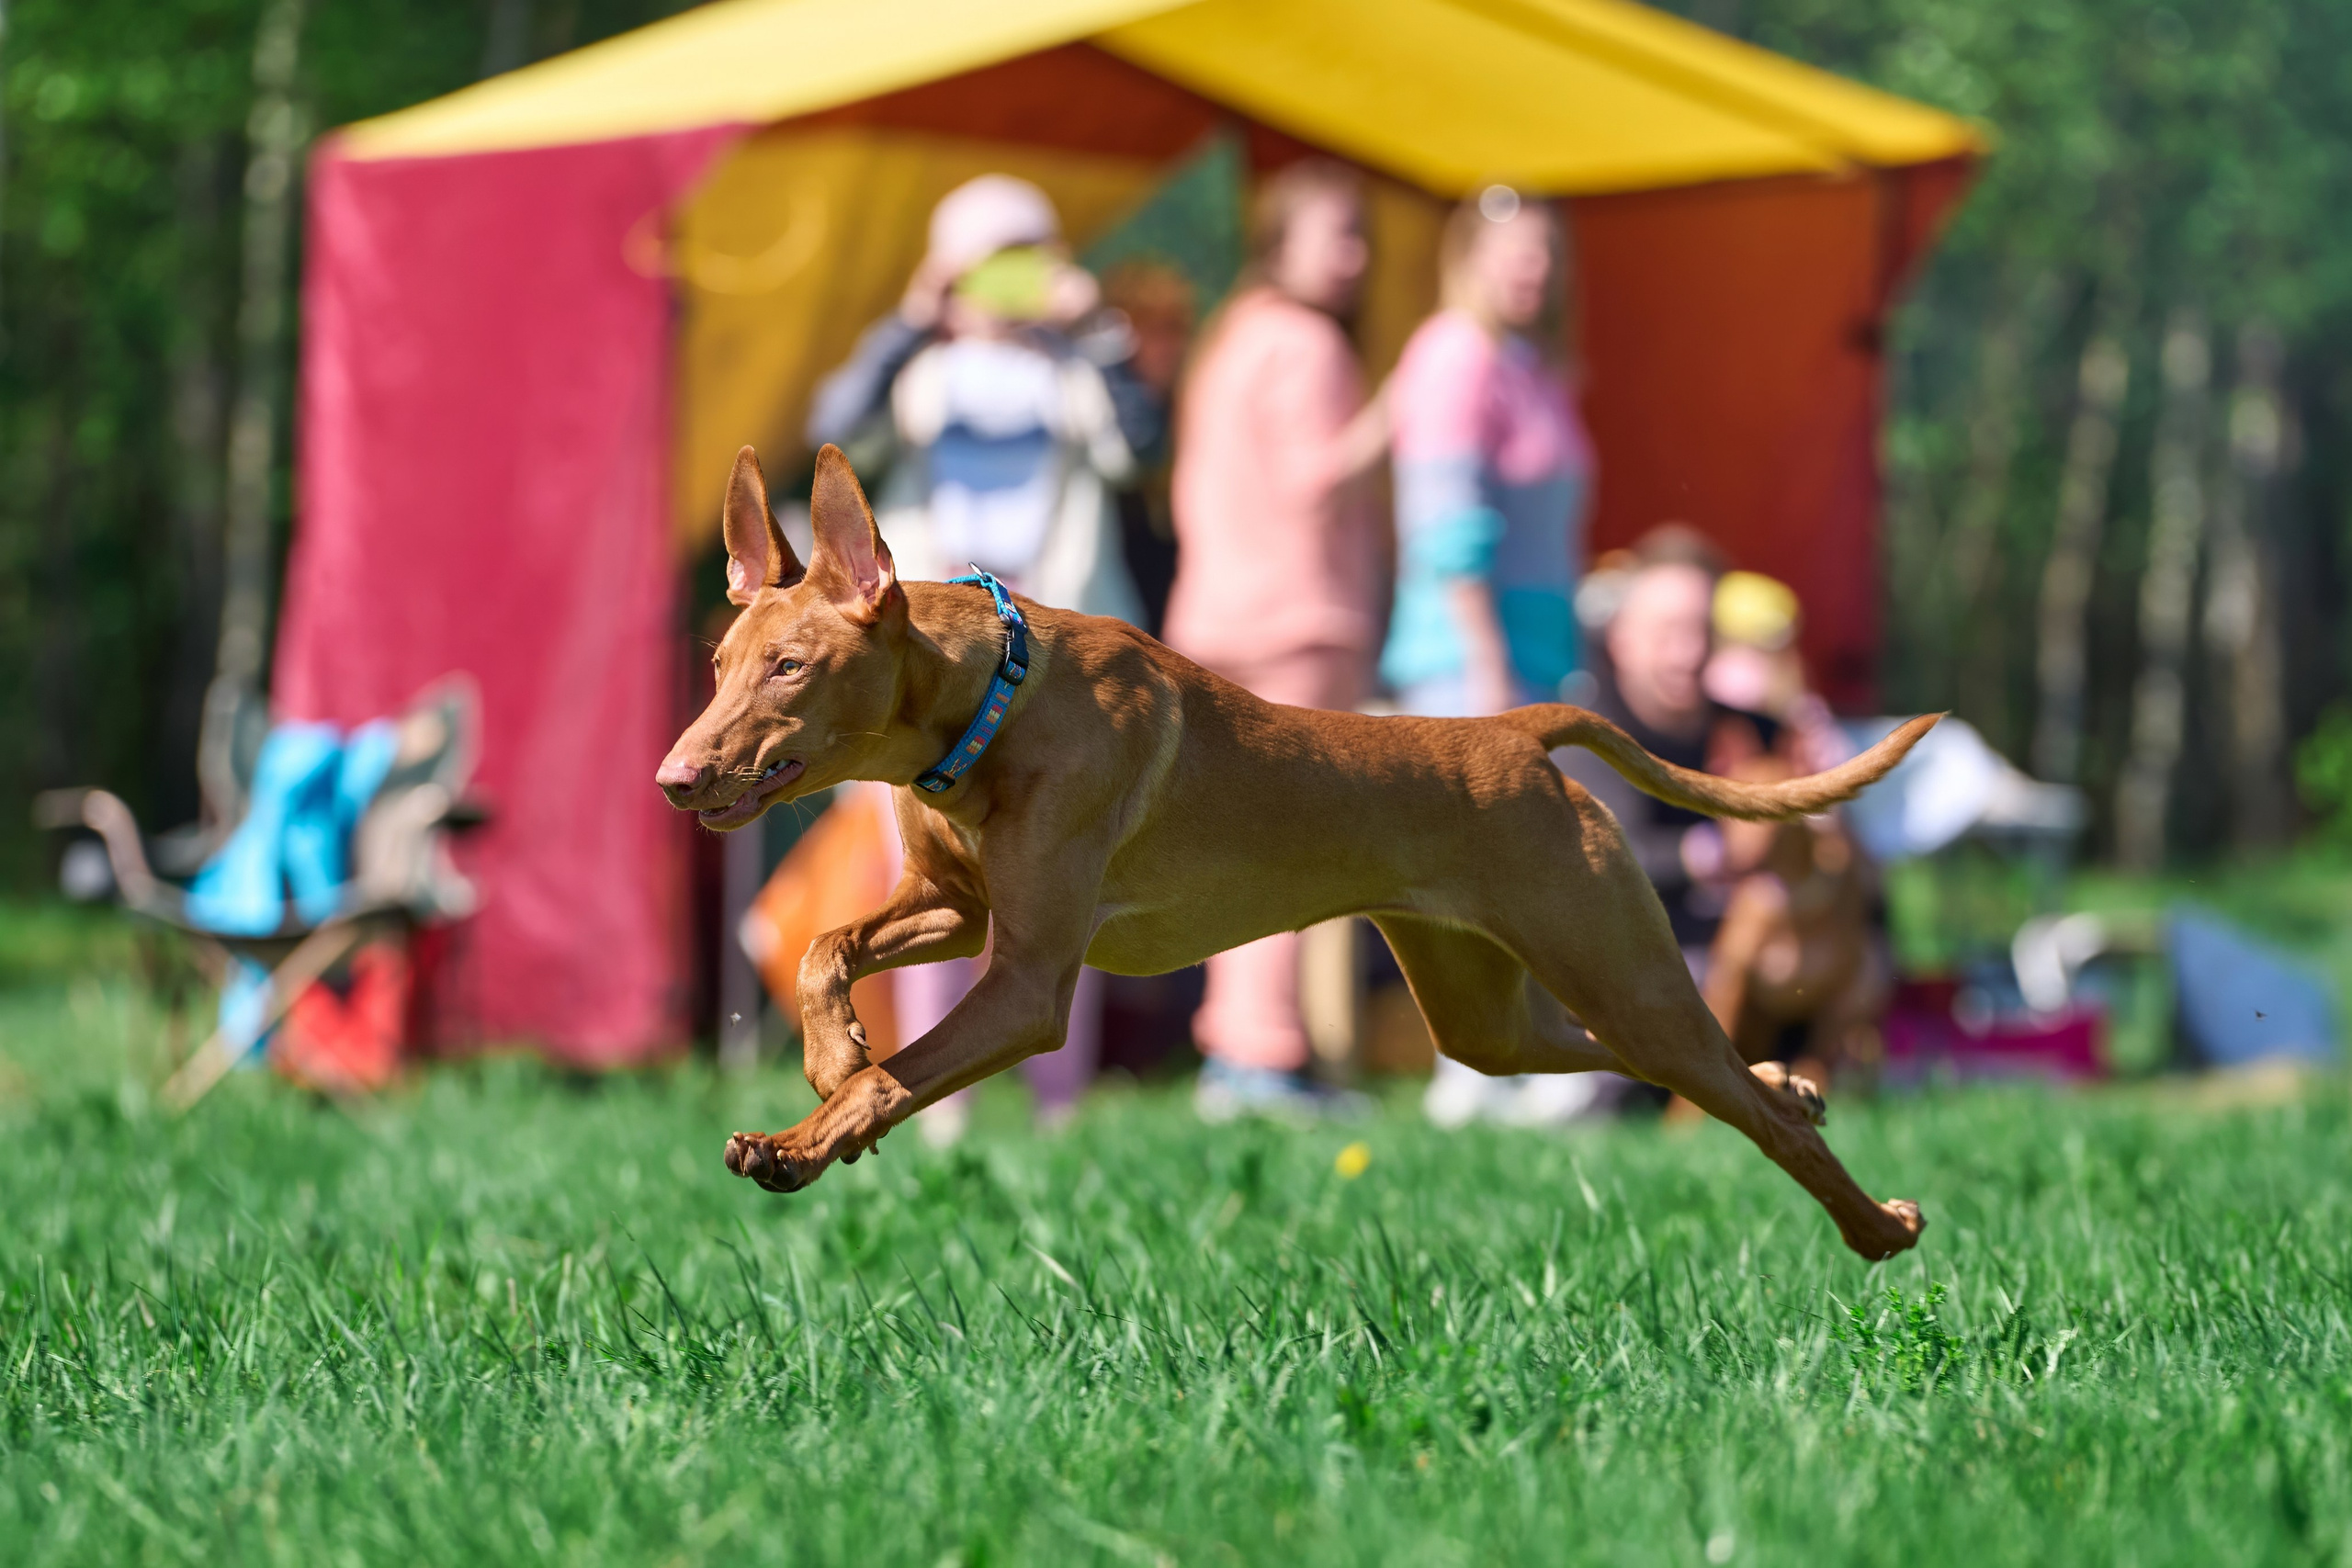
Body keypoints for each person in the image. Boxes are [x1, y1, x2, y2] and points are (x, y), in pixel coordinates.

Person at [804, 175, 1147, 1137]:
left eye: (1023, 254)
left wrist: (1098, 332)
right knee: (926, 881)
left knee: (1058, 882)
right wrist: (911, 319)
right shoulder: (917, 369)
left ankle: (1057, 1111)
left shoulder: (1073, 366)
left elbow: (1139, 447)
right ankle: (936, 1111)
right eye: (985, 258)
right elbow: (830, 428)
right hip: (925, 667)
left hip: (1051, 659)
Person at [1162, 159, 1391, 1121]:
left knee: (1228, 844)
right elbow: (1314, 478)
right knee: (1290, 848)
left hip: (1214, 612)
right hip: (1299, 615)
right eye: (1338, 233)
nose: (1358, 255)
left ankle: (1234, 1052)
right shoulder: (1308, 344)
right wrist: (1397, 411)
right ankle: (1263, 1058)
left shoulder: (1232, 338)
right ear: (1281, 242)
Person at [1380, 185, 1591, 719]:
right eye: (1517, 252)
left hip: (1538, 659)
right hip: (1469, 671)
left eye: (1546, 251)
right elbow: (1446, 524)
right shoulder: (1456, 352)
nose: (1535, 267)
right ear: (1469, 258)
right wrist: (1487, 667)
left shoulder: (1532, 366)